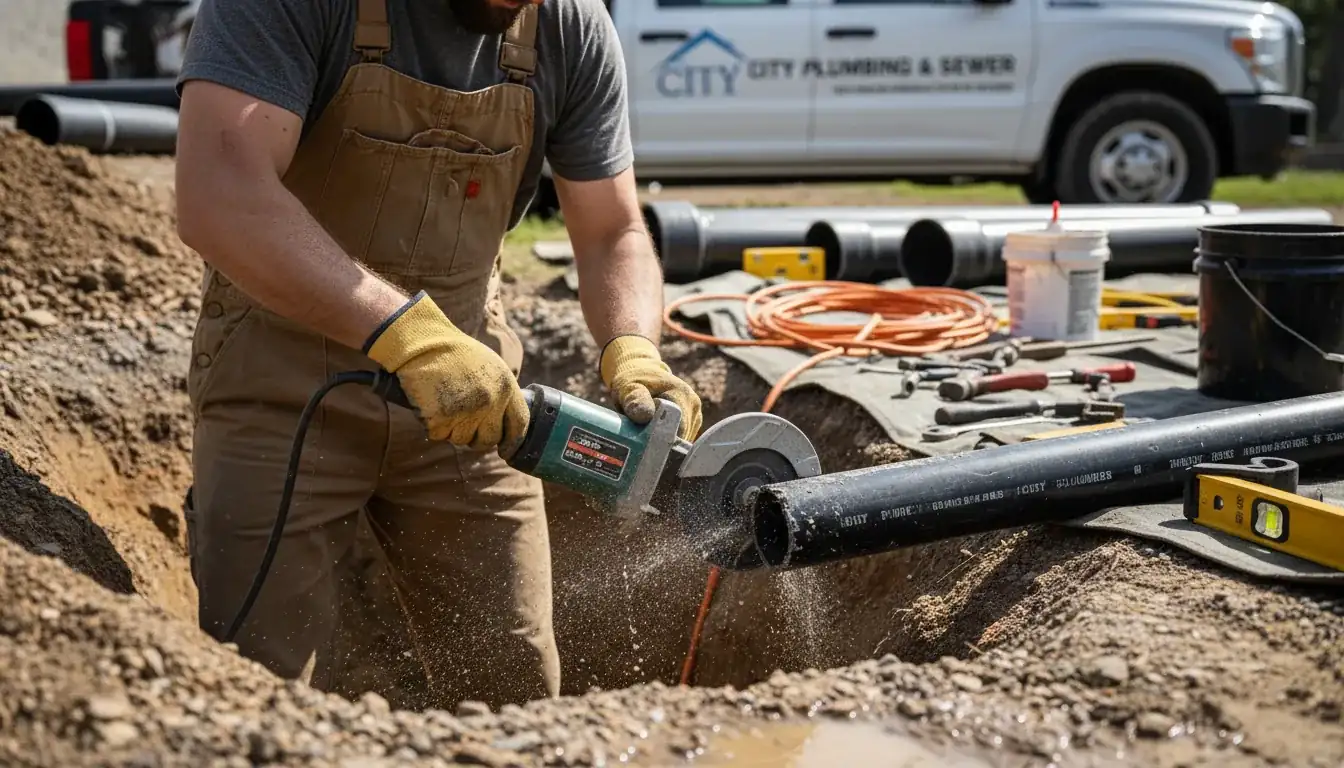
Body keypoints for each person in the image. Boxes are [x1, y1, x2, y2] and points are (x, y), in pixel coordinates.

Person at [172, 0, 703, 710]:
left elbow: (612, 230)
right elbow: (221, 194)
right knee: (261, 687)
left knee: (515, 684)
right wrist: (409, 337)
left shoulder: (568, 27)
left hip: (471, 399)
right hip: (281, 389)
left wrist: (632, 344)